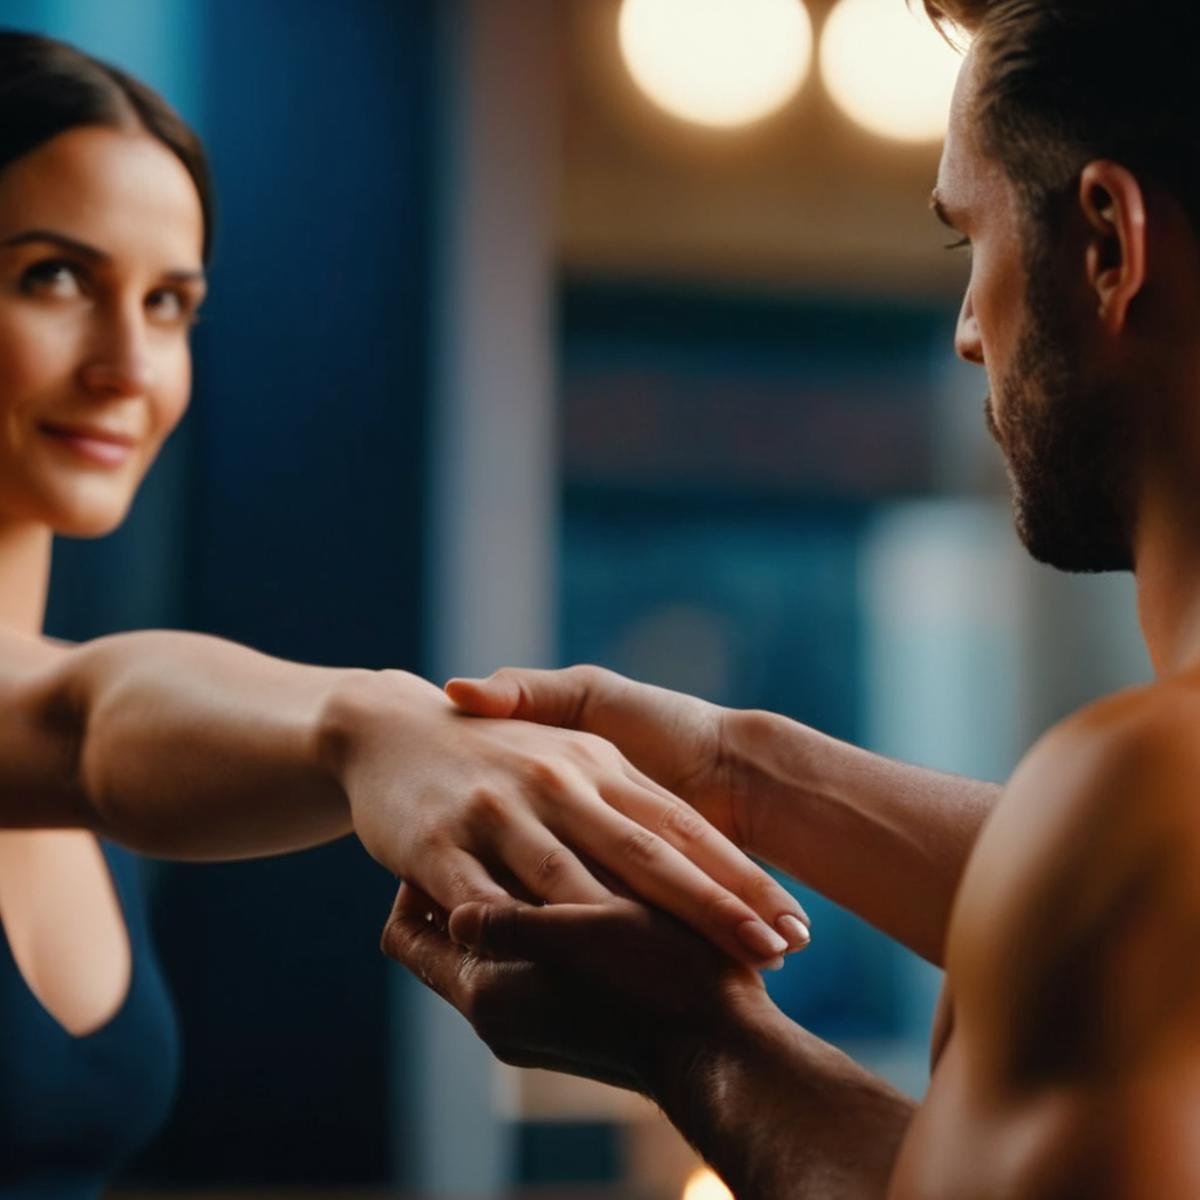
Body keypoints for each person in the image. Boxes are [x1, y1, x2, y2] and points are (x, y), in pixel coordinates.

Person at [385, 1, 1200, 1195]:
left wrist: (689, 1042)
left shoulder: (1133, 799)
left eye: (965, 243)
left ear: (1108, 247)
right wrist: (737, 770)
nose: (972, 330)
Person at [0, 30, 810, 1196]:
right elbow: (81, 723)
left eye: (171, 302)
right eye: (55, 277)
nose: (130, 362)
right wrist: (367, 727)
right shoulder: (81, 734)